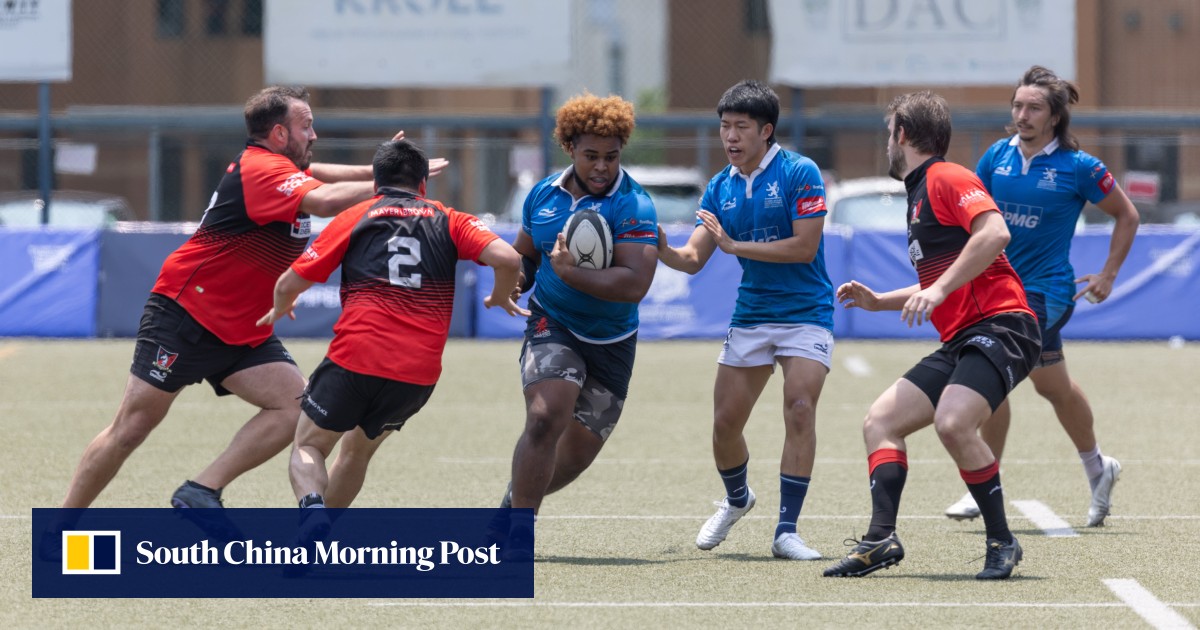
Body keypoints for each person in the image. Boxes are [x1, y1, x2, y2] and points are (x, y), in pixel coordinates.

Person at [44, 86, 447, 543]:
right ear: (279, 133)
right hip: (187, 312)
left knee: (293, 407)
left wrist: (386, 172)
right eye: (306, 126)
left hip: (243, 326)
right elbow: (330, 200)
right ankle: (60, 530)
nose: (313, 134)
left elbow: (326, 175)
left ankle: (201, 490)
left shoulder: (284, 166)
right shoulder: (262, 169)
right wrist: (394, 186)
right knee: (131, 428)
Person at [823, 91, 1040, 580]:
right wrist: (881, 301)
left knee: (953, 423)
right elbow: (939, 280)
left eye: (888, 133)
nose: (887, 142)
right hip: (964, 335)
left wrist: (938, 289)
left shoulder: (947, 176)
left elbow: (995, 233)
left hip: (1004, 324)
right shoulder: (918, 191)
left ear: (902, 135)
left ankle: (1002, 541)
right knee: (880, 421)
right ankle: (880, 539)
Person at [255, 139, 526, 521]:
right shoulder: (451, 219)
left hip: (356, 358)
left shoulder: (357, 216)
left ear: (376, 182)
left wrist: (282, 305)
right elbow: (509, 258)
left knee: (310, 446)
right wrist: (499, 297)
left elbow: (287, 284)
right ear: (422, 185)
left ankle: (312, 516)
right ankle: (316, 542)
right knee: (357, 451)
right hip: (417, 374)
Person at [943, 66, 1139, 527]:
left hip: (1045, 294)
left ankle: (981, 482)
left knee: (990, 372)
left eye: (1034, 108)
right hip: (993, 289)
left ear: (1054, 118)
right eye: (1017, 106)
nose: (1022, 115)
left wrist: (1108, 275)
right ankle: (1098, 467)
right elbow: (973, 219)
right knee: (1052, 386)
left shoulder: (1080, 167)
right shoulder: (995, 157)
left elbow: (1127, 215)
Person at [656, 80, 834, 561]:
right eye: (724, 127)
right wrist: (658, 247)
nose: (730, 137)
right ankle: (738, 499)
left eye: (740, 127)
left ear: (766, 131)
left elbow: (805, 247)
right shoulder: (721, 186)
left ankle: (786, 531)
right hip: (753, 315)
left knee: (799, 407)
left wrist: (736, 248)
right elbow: (693, 258)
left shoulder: (801, 172)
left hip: (806, 313)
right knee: (724, 426)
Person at [490, 93, 658, 552]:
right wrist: (514, 282)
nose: (602, 167)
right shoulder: (542, 195)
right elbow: (527, 253)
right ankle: (520, 534)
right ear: (570, 148)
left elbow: (634, 284)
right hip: (553, 322)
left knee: (577, 454)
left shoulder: (635, 205)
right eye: (591, 156)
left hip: (613, 339)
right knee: (545, 417)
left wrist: (569, 272)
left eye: (611, 156)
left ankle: (510, 507)